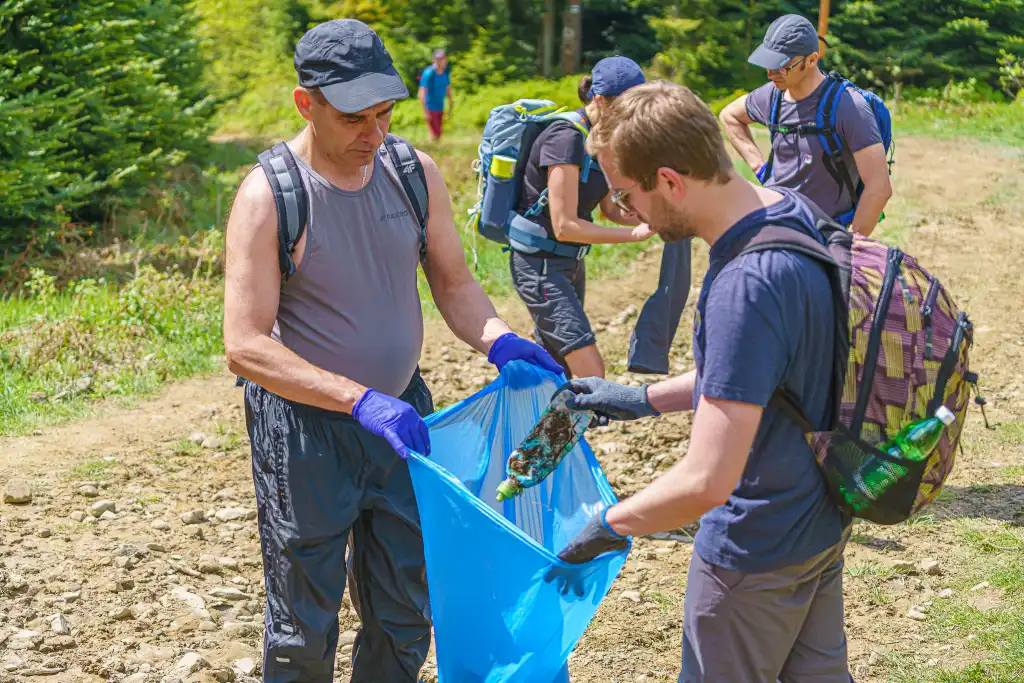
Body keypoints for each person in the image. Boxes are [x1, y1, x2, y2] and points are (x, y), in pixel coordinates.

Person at [223, 19, 562, 683]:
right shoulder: (270, 196)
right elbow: (245, 346)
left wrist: (499, 339)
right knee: (303, 622)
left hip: (402, 422)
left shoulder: (412, 172)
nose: (374, 135)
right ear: (306, 103)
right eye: (356, 118)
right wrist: (356, 399)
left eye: (384, 114)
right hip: (307, 433)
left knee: (407, 609)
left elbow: (455, 283)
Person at [557, 81, 852, 683]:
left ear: (669, 180)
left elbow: (707, 481)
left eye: (625, 193)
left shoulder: (746, 286)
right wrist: (642, 399)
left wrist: (609, 524)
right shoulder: (789, 211)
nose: (624, 210)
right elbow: (760, 368)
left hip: (754, 548)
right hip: (820, 517)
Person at [511, 55, 652, 380]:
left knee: (554, 367)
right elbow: (565, 226)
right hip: (540, 266)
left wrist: (655, 220)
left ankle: (540, 429)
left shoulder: (601, 136)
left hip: (570, 263)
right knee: (590, 367)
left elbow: (610, 209)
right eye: (627, 107)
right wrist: (634, 235)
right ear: (600, 100)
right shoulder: (567, 138)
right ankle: (568, 427)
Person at [720, 13, 893, 237]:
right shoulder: (772, 96)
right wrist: (762, 169)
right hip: (776, 222)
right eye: (768, 64)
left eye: (780, 66)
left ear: (811, 60)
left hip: (823, 234)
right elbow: (729, 116)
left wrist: (850, 246)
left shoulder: (849, 107)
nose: (771, 74)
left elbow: (879, 187)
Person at [418, 48, 452, 141]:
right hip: (430, 107)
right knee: (433, 134)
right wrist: (425, 111)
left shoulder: (445, 72)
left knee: (439, 134)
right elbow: (421, 92)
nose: (442, 61)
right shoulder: (429, 73)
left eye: (443, 58)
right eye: (439, 59)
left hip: (440, 107)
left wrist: (450, 104)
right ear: (434, 60)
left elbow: (448, 88)